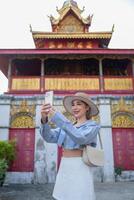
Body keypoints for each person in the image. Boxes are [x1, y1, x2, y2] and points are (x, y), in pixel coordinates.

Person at [40, 92, 100, 200]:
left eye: (78, 104)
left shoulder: (92, 126)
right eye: (73, 105)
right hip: (65, 165)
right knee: (64, 196)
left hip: (81, 165)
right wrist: (44, 120)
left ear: (87, 107)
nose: (75, 107)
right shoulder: (68, 126)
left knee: (80, 195)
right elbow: (48, 137)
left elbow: (81, 138)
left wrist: (58, 118)